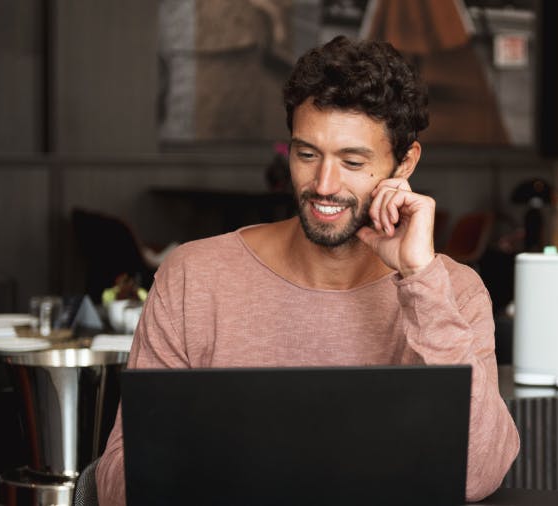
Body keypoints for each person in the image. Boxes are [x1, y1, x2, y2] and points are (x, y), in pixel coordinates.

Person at [96, 35, 520, 504]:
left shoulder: (453, 292)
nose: (323, 185)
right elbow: (119, 479)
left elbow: (478, 473)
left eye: (353, 161)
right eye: (306, 154)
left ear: (405, 164)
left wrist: (419, 278)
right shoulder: (193, 276)